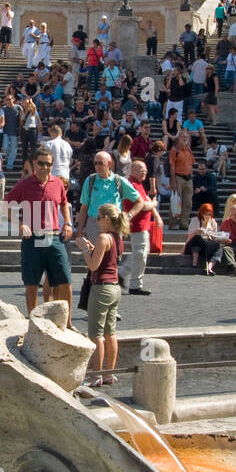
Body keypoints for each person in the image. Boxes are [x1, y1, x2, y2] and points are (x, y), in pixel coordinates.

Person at [5, 143, 74, 325]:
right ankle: (33, 322)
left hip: (54, 237)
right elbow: (6, 204)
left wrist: (67, 222)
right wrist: (19, 224)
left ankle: (67, 323)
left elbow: (64, 203)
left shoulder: (58, 183)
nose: (45, 167)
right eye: (42, 163)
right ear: (34, 163)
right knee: (32, 284)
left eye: (48, 164)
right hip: (32, 239)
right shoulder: (24, 184)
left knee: (65, 280)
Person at [76, 203, 128, 385]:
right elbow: (107, 258)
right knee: (110, 333)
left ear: (107, 218)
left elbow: (93, 266)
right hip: (115, 287)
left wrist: (84, 249)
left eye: (98, 218)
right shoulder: (117, 238)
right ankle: (108, 373)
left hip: (101, 288)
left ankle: (95, 375)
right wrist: (92, 248)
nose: (96, 221)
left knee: (96, 334)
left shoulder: (103, 238)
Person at [122, 159, 158, 296]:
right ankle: (135, 284)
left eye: (146, 170)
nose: (145, 172)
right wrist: (154, 204)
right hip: (137, 224)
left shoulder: (138, 183)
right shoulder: (133, 184)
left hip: (142, 224)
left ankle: (124, 276)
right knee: (140, 254)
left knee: (140, 253)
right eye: (142, 170)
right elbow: (144, 205)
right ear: (133, 170)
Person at [184, 203, 233, 275]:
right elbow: (189, 236)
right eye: (205, 214)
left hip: (207, 245)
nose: (207, 216)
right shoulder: (195, 220)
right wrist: (196, 232)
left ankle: (210, 267)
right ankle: (195, 262)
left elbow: (214, 238)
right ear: (201, 213)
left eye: (209, 214)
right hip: (193, 245)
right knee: (198, 238)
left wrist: (222, 239)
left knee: (219, 247)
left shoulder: (213, 222)